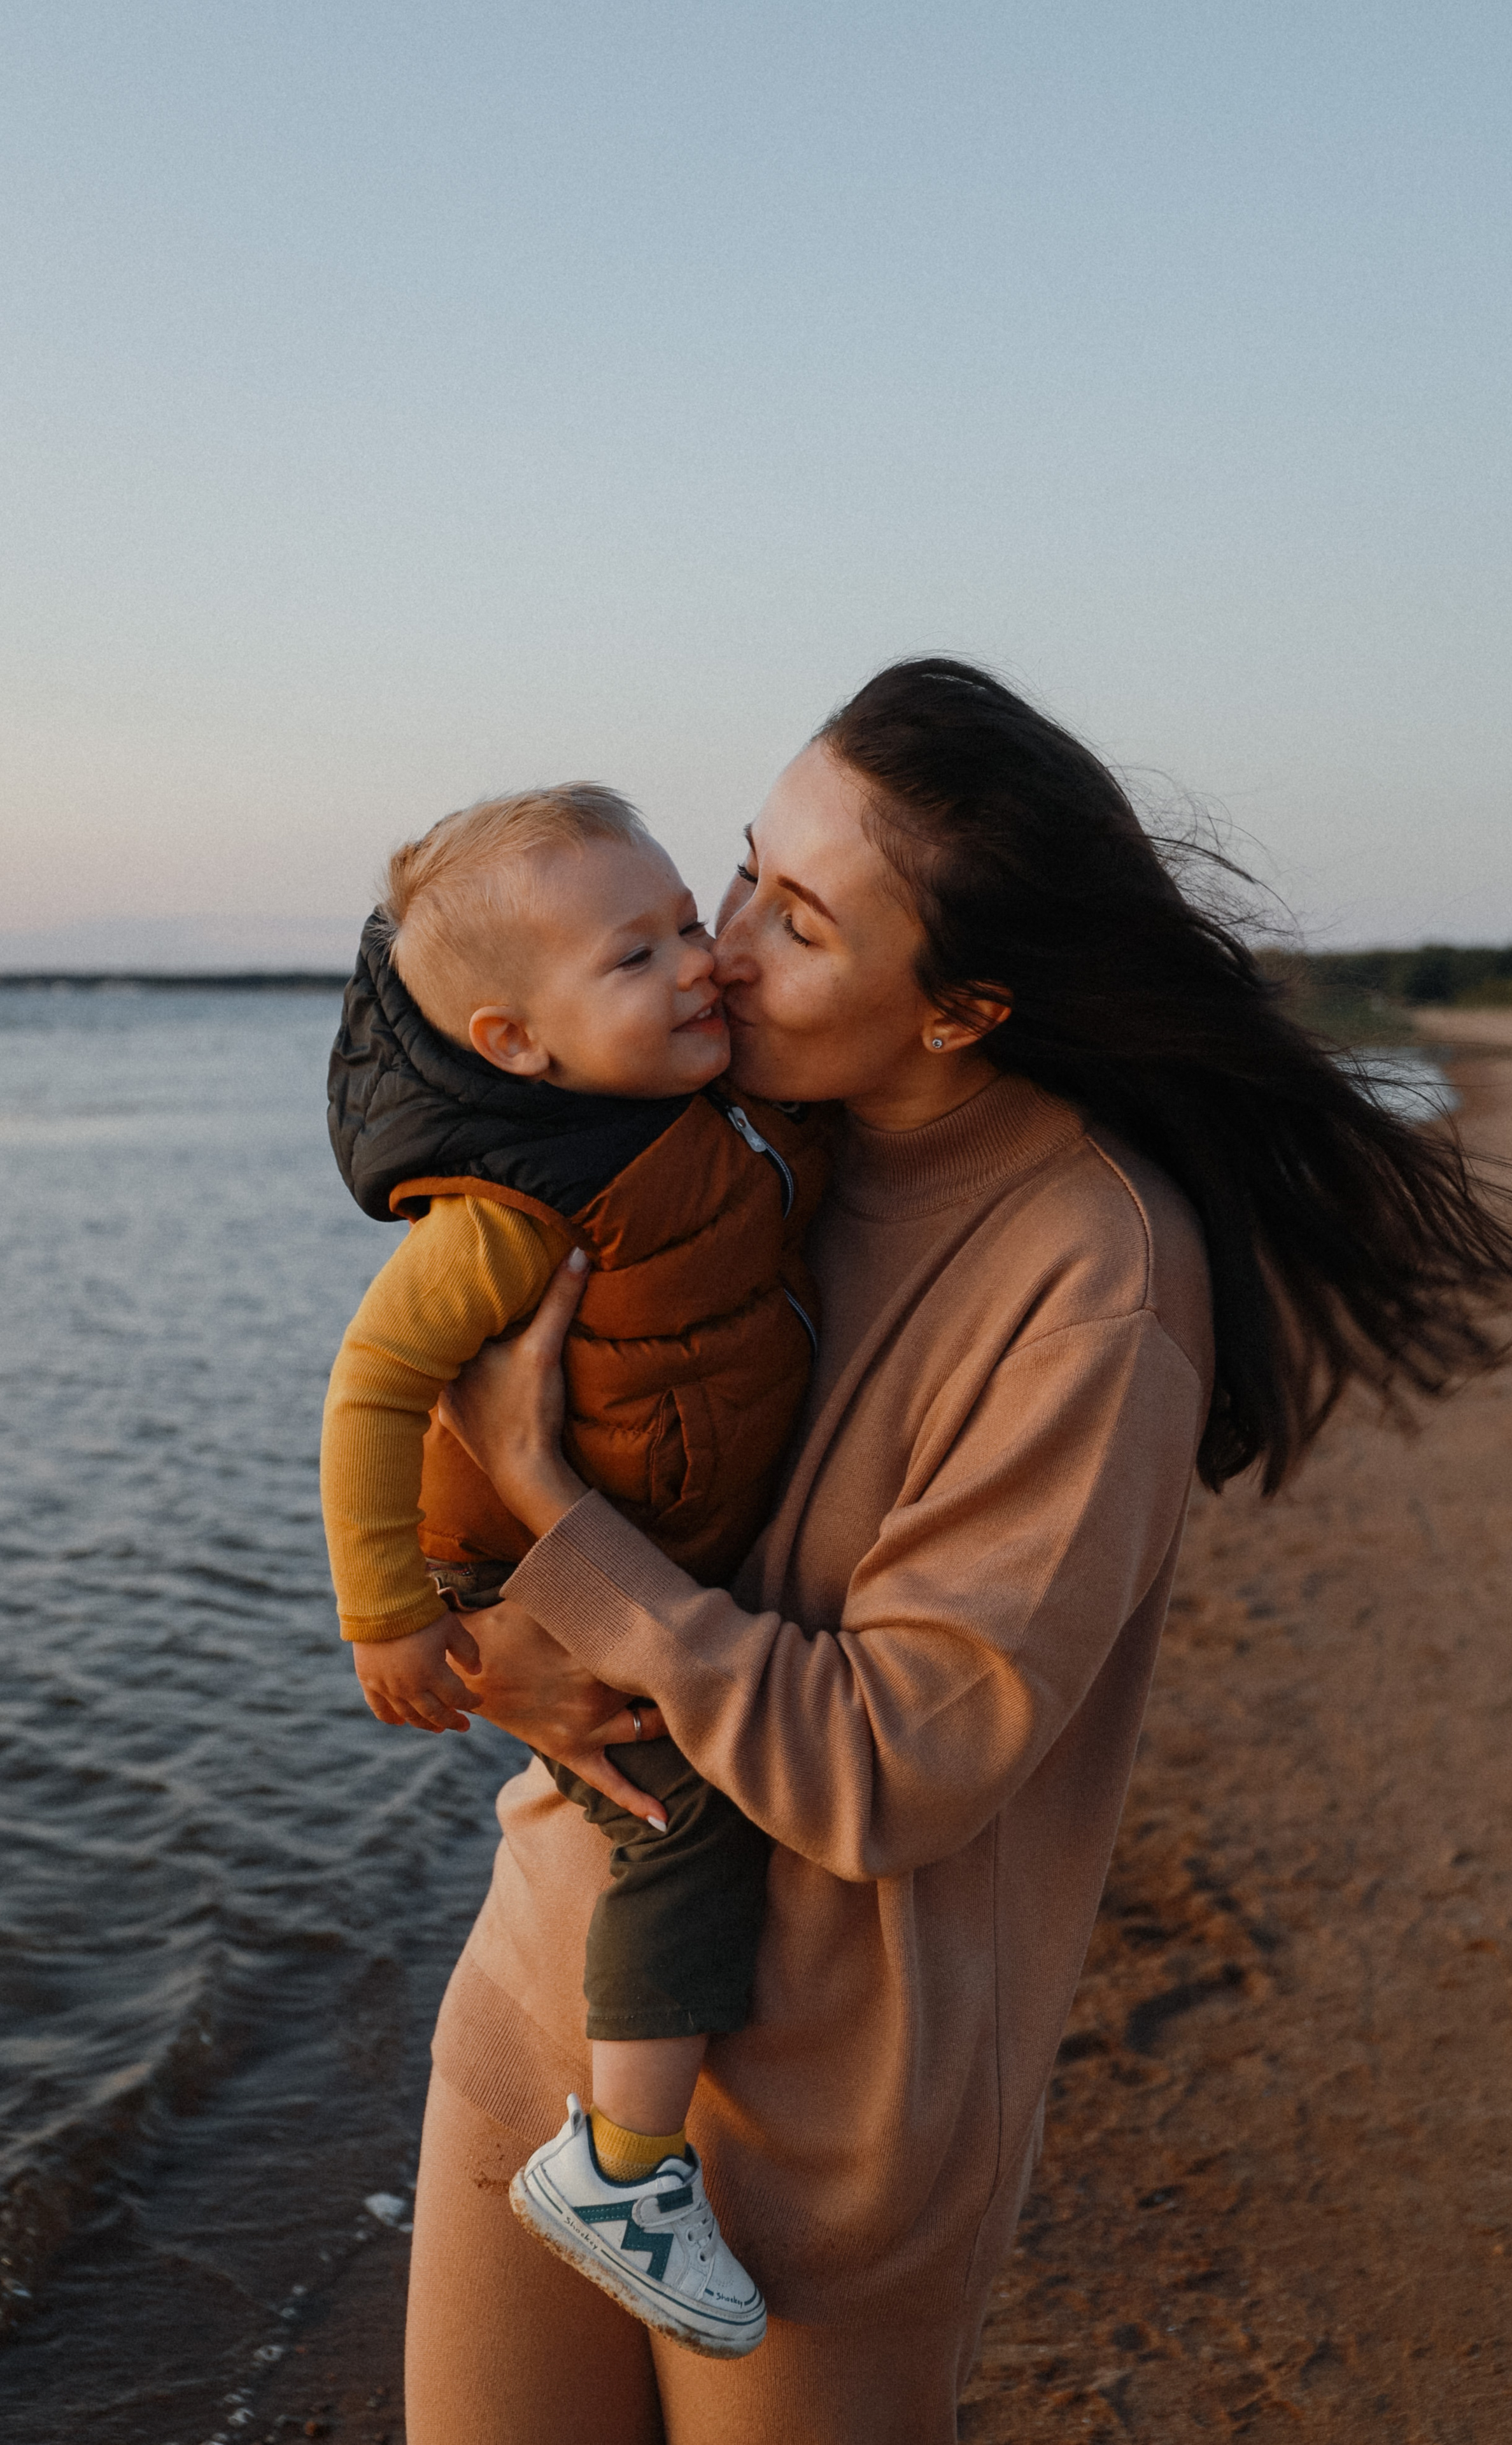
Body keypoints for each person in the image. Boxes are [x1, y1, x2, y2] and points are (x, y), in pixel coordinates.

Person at [401, 662, 1512, 2445]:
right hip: (534, 2018)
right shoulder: (702, 1134)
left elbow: (891, 1764)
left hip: (816, 2154)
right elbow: (425, 1044)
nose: (719, 950)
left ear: (962, 1009)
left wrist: (560, 1519)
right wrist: (485, 1621)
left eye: (800, 920)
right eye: (741, 871)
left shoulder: (1095, 1275)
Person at [320, 785, 828, 2356]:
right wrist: (390, 1615)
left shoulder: (690, 1112)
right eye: (637, 953)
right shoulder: (509, 1214)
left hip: (625, 1537)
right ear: (517, 1042)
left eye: (691, 921)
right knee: (687, 1816)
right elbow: (369, 1392)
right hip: (512, 1582)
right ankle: (623, 2169)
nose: (696, 964)